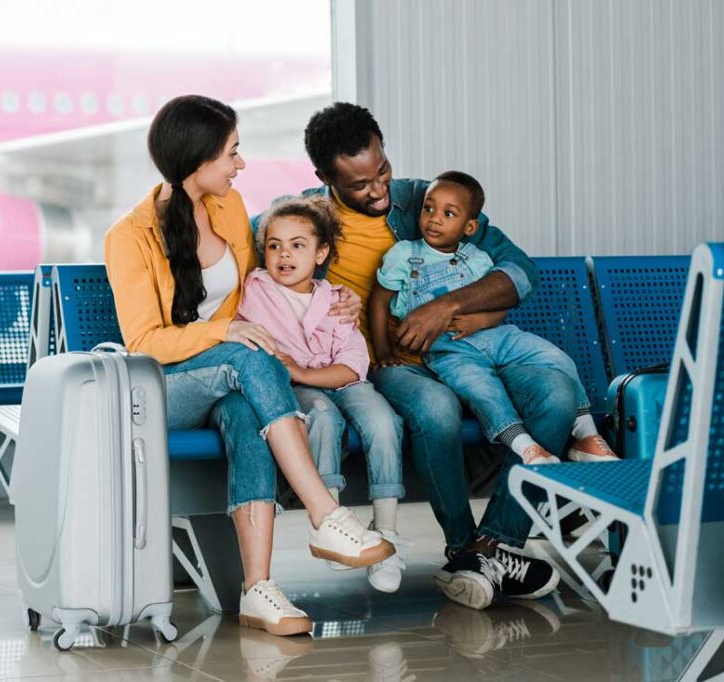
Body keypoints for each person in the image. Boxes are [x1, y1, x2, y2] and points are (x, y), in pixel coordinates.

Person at [104, 95, 394, 637]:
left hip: (233, 378)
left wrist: (339, 301)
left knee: (245, 414)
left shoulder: (230, 208)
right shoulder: (128, 237)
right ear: (198, 158)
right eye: (232, 152)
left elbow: (290, 266)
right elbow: (144, 341)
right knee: (246, 356)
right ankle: (325, 514)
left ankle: (257, 588)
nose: (241, 165)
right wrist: (224, 331)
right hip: (167, 387)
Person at [282, 101, 567, 611]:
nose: (378, 190)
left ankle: (492, 545)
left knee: (557, 394)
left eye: (382, 171)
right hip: (385, 364)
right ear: (325, 178)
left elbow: (520, 271)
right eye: (360, 185)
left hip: (466, 346)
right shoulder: (304, 216)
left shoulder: (424, 199)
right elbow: (250, 255)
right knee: (436, 410)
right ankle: (463, 546)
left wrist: (449, 307)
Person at [369, 170, 619, 466]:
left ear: (470, 226)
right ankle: (527, 448)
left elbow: (500, 301)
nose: (434, 218)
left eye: (449, 214)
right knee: (484, 391)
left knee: (557, 358)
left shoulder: (476, 258)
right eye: (428, 208)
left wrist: (483, 320)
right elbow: (378, 302)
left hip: (497, 337)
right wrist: (383, 352)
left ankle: (586, 435)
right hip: (450, 353)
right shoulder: (404, 255)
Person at [236, 195, 407, 593]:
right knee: (322, 417)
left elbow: (352, 366)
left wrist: (302, 369)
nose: (284, 255)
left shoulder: (335, 298)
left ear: (321, 252)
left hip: (338, 380)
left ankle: (387, 531)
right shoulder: (253, 289)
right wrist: (297, 376)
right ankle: (331, 525)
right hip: (293, 389)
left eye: (298, 245)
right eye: (275, 245)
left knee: (384, 421)